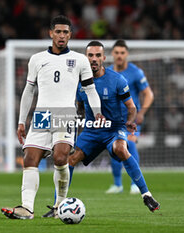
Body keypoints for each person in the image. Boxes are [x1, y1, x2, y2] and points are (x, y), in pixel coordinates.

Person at [1, 15, 104, 220]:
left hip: (65, 114)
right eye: (58, 31)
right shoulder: (37, 59)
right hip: (42, 115)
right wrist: (22, 120)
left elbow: (90, 90)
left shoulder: (80, 60)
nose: (62, 35)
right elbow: (28, 91)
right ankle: (27, 209)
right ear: (51, 33)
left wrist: (98, 111)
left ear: (70, 35)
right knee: (30, 158)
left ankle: (59, 205)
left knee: (60, 158)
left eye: (66, 32)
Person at [42, 41, 160, 218]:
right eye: (91, 56)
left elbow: (132, 107)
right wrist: (78, 121)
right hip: (92, 130)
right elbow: (79, 106)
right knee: (69, 160)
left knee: (121, 148)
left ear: (104, 58)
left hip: (114, 128)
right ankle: (57, 206)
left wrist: (129, 122)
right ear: (85, 58)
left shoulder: (117, 79)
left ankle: (146, 195)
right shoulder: (78, 81)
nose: (94, 59)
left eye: (98, 56)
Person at [105, 39, 154, 194]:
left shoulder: (135, 72)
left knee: (130, 145)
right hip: (112, 118)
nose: (119, 56)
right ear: (112, 54)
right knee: (115, 148)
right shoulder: (107, 72)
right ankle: (117, 184)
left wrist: (141, 113)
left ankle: (134, 184)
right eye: (116, 53)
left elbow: (149, 94)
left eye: (122, 53)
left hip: (130, 119)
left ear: (127, 54)